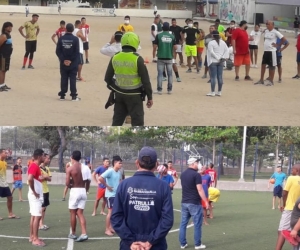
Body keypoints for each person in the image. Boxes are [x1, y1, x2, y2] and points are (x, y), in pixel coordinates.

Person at [111, 146, 173, 250]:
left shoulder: (124, 185)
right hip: (156, 245)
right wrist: (150, 241)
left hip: (130, 246)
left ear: (137, 163)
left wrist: (131, 241)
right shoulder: (163, 187)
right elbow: (167, 220)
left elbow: (116, 217)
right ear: (156, 165)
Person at [104, 32, 153, 126]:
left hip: (119, 95)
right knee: (137, 123)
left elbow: (107, 78)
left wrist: (115, 88)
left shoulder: (115, 56)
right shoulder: (138, 59)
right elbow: (146, 81)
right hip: (135, 96)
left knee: (117, 121)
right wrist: (149, 97)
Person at [179, 158, 209, 250]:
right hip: (194, 203)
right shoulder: (196, 175)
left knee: (183, 224)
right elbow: (200, 189)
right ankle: (197, 244)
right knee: (197, 224)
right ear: (193, 164)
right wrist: (206, 201)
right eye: (197, 162)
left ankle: (183, 244)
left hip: (184, 202)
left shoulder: (183, 174)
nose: (199, 164)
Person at [66, 150, 91, 242]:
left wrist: (71, 185)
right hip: (83, 190)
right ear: (80, 158)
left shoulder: (70, 168)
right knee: (80, 213)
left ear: (72, 157)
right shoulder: (86, 167)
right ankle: (84, 233)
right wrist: (86, 190)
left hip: (75, 191)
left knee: (73, 213)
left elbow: (67, 183)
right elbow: (88, 181)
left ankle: (73, 233)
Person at [275, 164, 300, 250]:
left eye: (292, 169)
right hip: (298, 210)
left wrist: (284, 204)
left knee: (282, 230)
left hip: (290, 209)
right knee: (297, 231)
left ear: (297, 170)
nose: (291, 171)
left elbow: (285, 193)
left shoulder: (291, 178)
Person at [254, 21, 287, 86]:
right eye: (266, 24)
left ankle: (271, 81)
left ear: (272, 25)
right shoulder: (266, 31)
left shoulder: (275, 32)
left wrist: (278, 45)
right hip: (266, 51)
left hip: (272, 51)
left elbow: (284, 39)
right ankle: (261, 80)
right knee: (263, 65)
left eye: (268, 24)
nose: (267, 25)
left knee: (272, 66)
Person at [56, 23, 80, 101]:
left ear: (66, 29)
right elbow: (76, 52)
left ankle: (62, 95)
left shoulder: (61, 38)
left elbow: (58, 51)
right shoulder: (76, 39)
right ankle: (73, 96)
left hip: (63, 62)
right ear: (73, 30)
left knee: (64, 78)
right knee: (72, 78)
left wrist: (63, 60)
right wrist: (70, 60)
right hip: (73, 63)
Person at [99, 155, 122, 236]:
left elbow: (119, 182)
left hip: (116, 195)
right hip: (110, 195)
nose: (121, 165)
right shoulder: (110, 171)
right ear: (115, 163)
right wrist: (107, 186)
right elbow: (100, 178)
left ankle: (111, 227)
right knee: (110, 212)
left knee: (114, 212)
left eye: (121, 163)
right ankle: (107, 229)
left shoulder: (118, 172)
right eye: (119, 163)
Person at [28, 149, 45, 247]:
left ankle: (32, 236)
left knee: (34, 216)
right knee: (38, 216)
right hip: (35, 195)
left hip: (35, 195)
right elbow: (30, 179)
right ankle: (35, 239)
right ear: (39, 156)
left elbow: (34, 179)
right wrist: (34, 191)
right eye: (43, 156)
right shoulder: (34, 165)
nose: (44, 157)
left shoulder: (35, 166)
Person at [153, 22, 176, 95]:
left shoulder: (159, 35)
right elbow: (175, 47)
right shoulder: (172, 36)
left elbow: (155, 46)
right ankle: (169, 89)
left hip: (160, 56)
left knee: (160, 74)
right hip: (169, 57)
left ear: (162, 28)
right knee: (170, 74)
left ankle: (159, 90)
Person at [206, 31, 229, 97]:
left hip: (213, 61)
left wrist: (217, 57)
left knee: (213, 77)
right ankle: (219, 91)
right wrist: (222, 57)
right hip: (221, 61)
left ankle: (213, 92)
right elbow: (226, 50)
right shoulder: (223, 42)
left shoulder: (211, 43)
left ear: (212, 35)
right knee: (220, 77)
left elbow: (211, 52)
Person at [0, 148, 20, 221]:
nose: (6, 154)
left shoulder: (5, 162)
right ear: (1, 153)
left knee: (10, 197)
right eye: (5, 153)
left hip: (4, 184)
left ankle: (10, 214)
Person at [39, 153, 52, 230]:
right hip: (41, 191)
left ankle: (41, 223)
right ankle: (40, 224)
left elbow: (50, 179)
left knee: (44, 208)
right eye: (48, 158)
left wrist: (45, 176)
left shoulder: (47, 168)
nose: (49, 160)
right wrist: (45, 176)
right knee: (41, 208)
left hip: (46, 190)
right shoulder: (38, 168)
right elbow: (39, 178)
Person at [0, 22, 13, 92]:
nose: (10, 28)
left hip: (7, 55)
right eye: (8, 27)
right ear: (5, 27)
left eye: (11, 26)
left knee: (4, 70)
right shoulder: (4, 36)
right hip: (3, 55)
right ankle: (0, 85)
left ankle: (3, 84)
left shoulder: (8, 35)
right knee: (2, 70)